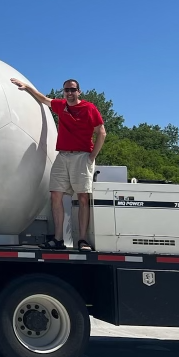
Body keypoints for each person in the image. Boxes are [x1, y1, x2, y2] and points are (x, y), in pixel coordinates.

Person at [10, 77, 107, 251]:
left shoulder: (88, 108)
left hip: (82, 156)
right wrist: (27, 87)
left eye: (72, 89)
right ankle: (58, 239)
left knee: (83, 197)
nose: (69, 93)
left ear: (79, 91)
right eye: (66, 90)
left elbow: (101, 132)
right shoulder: (61, 106)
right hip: (62, 156)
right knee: (56, 195)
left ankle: (82, 240)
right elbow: (44, 99)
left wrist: (92, 156)